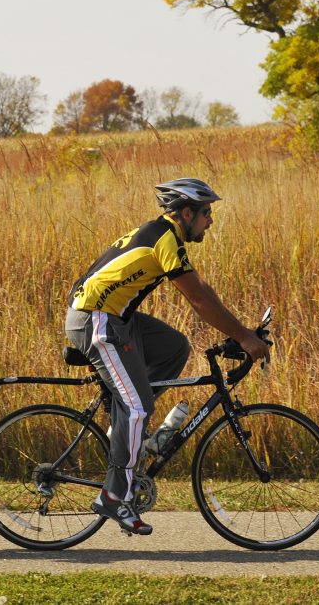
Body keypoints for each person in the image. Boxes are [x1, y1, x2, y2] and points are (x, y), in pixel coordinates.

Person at [64, 178, 271, 535]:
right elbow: (199, 301)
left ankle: (127, 430)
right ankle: (115, 496)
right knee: (138, 404)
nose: (210, 220)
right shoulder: (164, 238)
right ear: (186, 213)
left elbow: (203, 289)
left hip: (117, 318)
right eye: (207, 213)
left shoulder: (166, 236)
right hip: (96, 319)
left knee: (175, 348)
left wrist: (243, 332)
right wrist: (243, 337)